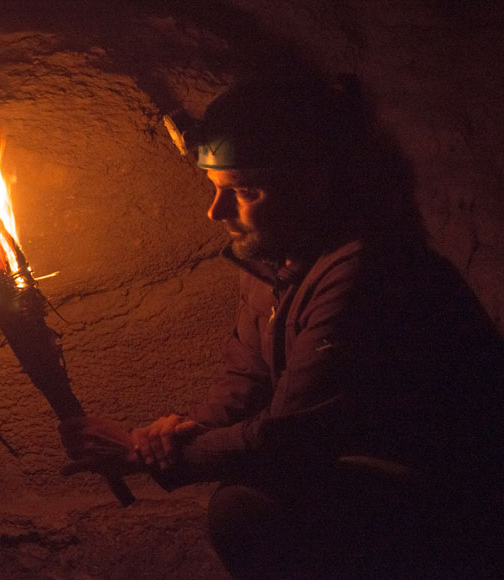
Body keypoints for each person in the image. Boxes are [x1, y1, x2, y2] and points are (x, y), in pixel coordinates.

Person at [59, 71, 504, 579]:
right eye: (215, 188)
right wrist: (174, 431)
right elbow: (244, 382)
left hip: (451, 495)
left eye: (244, 191)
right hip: (366, 464)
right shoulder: (277, 259)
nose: (216, 211)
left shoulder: (365, 271)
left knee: (246, 510)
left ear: (310, 186)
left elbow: (292, 435)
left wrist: (144, 455)